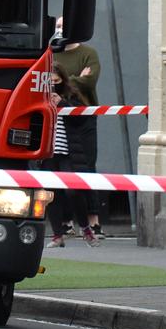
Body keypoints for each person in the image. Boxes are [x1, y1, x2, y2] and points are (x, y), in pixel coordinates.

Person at [50, 16, 104, 237]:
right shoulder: (50, 54)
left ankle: (94, 221)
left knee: (86, 166)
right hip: (57, 119)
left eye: (64, 25)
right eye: (58, 26)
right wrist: (75, 78)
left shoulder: (88, 54)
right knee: (57, 168)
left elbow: (90, 81)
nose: (60, 30)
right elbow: (47, 79)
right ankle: (65, 222)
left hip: (83, 118)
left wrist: (64, 79)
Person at [45, 67, 98, 248]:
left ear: (63, 80)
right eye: (49, 82)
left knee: (73, 191)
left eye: (56, 81)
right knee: (51, 194)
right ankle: (57, 235)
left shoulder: (71, 97)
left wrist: (62, 104)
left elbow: (81, 118)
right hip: (48, 153)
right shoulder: (39, 97)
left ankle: (86, 229)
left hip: (67, 152)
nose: (53, 85)